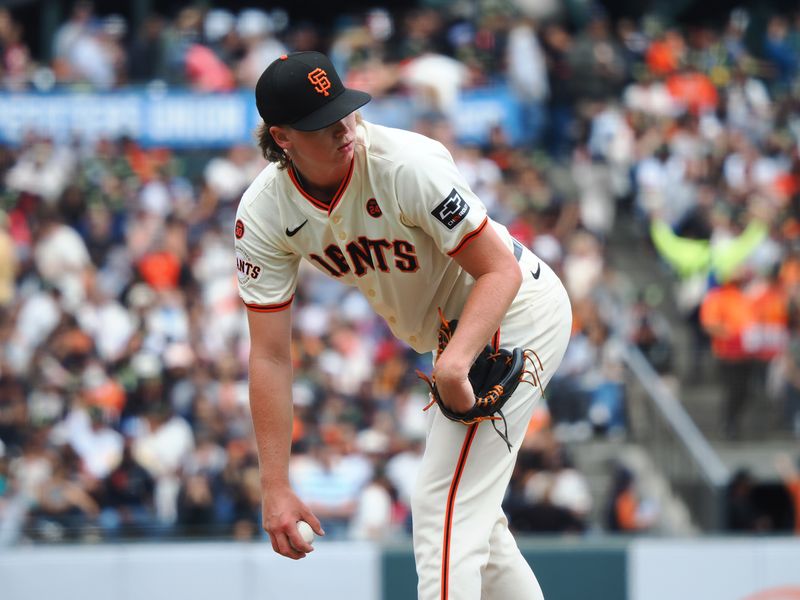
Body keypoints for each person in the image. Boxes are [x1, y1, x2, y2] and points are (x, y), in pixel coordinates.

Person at [235, 51, 572, 600]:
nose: (345, 128)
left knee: (441, 505)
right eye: (323, 123)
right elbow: (269, 355)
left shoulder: (403, 163)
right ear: (283, 137)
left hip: (514, 310)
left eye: (344, 110)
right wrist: (275, 485)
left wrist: (456, 359)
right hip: (455, 333)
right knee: (475, 524)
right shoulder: (265, 213)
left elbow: (498, 268)